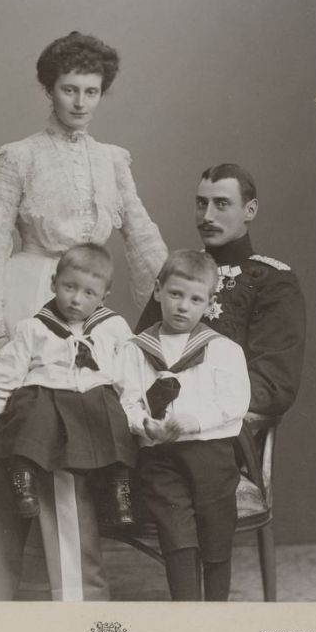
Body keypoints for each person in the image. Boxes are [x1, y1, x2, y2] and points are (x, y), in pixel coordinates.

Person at [0, 31, 167, 601]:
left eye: (92, 91)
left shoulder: (113, 161)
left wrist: (174, 307)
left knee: (69, 448)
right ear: (48, 89)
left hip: (87, 306)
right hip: (23, 300)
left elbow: (141, 233)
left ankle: (76, 597)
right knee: (2, 441)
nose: (80, 102)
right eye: (68, 89)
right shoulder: (19, 156)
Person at [117, 250, 251, 601]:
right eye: (175, 294)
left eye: (195, 299)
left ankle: (216, 610)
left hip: (212, 457)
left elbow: (235, 403)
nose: (183, 306)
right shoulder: (134, 349)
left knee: (215, 532)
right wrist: (145, 424)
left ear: (209, 303)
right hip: (160, 458)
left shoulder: (223, 350)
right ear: (159, 290)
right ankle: (186, 614)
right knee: (176, 535)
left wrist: (195, 420)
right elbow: (126, 401)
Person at [0, 243, 136, 526]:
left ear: (104, 296)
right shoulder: (34, 327)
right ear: (53, 283)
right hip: (46, 394)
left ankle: (118, 487)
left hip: (93, 395)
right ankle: (23, 480)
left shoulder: (113, 327)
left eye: (89, 293)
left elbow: (129, 369)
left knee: (114, 417)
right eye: (69, 287)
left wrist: (131, 408)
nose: (77, 299)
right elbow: (7, 368)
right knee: (29, 414)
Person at [135, 163, 305, 418]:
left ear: (250, 210)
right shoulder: (177, 273)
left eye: (221, 204)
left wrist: (188, 410)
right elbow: (141, 349)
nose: (207, 217)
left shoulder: (273, 281)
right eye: (202, 204)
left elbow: (272, 386)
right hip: (154, 416)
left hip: (222, 428)